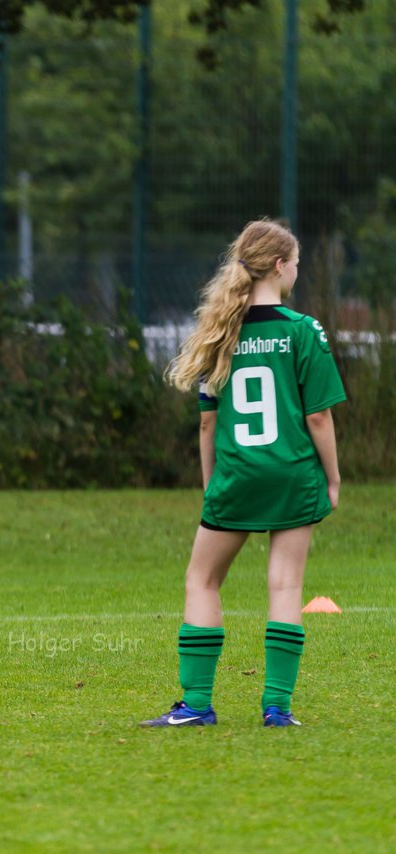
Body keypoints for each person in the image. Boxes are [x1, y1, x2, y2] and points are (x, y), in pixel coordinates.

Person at [142, 219, 345, 728]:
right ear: (280, 266)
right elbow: (318, 416)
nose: (297, 270)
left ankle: (195, 706)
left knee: (203, 580)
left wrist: (213, 485)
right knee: (285, 587)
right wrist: (333, 479)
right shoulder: (303, 331)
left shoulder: (219, 333)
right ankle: (276, 709)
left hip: (237, 476)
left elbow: (208, 424)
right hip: (294, 475)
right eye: (296, 262)